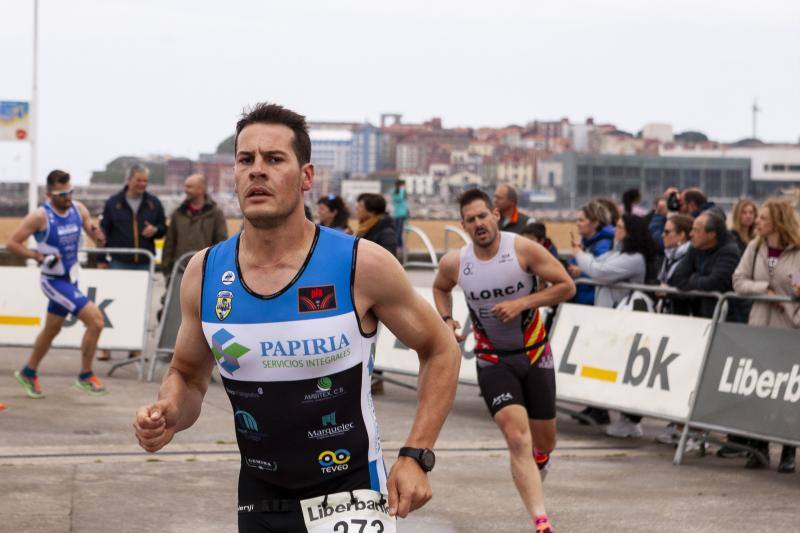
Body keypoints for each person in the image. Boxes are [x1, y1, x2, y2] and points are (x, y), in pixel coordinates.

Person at [133, 103, 461, 532]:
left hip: (351, 492)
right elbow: (189, 375)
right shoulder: (205, 273)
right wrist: (169, 412)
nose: (257, 171)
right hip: (260, 495)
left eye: (274, 159)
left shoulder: (360, 264)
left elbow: (441, 349)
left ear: (306, 177)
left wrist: (417, 454)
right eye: (245, 160)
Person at [433, 189, 575, 533]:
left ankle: (540, 459)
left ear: (496, 215)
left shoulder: (522, 249)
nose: (479, 224)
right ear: (463, 225)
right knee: (516, 438)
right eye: (471, 219)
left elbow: (566, 286)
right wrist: (447, 319)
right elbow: (440, 288)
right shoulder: (456, 261)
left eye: (483, 216)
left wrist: (523, 304)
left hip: (536, 353)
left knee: (544, 442)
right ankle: (541, 522)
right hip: (492, 358)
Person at [6, 170, 108, 398]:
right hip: (53, 281)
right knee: (96, 321)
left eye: (70, 192)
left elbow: (91, 230)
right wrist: (38, 257)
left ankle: (28, 371)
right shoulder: (40, 217)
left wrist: (99, 236)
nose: (68, 197)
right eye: (63, 194)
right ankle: (85, 375)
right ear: (50, 194)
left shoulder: (78, 209)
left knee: (52, 329)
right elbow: (13, 243)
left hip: (71, 277)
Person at [571, 215, 657, 438]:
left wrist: (579, 254)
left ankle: (630, 420)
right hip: (610, 320)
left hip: (625, 322)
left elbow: (601, 271)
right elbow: (599, 264)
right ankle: (609, 412)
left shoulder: (634, 258)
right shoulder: (618, 252)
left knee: (623, 370)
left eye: (620, 227)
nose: (615, 230)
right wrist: (587, 262)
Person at [732, 198, 800, 473]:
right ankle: (758, 447)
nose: (756, 222)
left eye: (762, 218)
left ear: (777, 221)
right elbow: (738, 281)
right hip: (760, 324)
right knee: (759, 388)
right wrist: (764, 290)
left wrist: (787, 299)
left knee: (788, 391)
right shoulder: (755, 246)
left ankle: (788, 450)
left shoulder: (796, 252)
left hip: (789, 327)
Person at [98, 163, 166, 360]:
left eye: (145, 181)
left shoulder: (154, 203)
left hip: (144, 264)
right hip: (119, 263)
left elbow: (164, 227)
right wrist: (101, 259)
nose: (143, 184)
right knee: (114, 306)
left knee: (140, 308)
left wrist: (155, 230)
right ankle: (106, 347)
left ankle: (135, 348)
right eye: (139, 180)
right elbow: (103, 233)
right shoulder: (113, 203)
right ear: (129, 180)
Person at [672, 212, 743, 320]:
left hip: (727, 319)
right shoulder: (695, 247)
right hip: (701, 316)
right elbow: (678, 277)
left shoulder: (730, 251)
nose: (691, 234)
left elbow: (715, 283)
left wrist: (693, 278)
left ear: (711, 235)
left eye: (696, 230)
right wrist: (701, 281)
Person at [161, 174, 228, 281]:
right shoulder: (178, 213)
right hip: (179, 271)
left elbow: (221, 242)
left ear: (200, 189)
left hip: (205, 273)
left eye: (189, 187)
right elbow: (169, 242)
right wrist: (166, 270)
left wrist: (217, 270)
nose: (185, 190)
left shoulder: (215, 213)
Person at [566, 200, 615, 306]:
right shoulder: (588, 242)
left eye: (581, 220)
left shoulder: (604, 245)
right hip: (585, 300)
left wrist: (581, 273)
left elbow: (605, 273)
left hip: (593, 303)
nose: (577, 224)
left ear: (595, 223)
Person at [655, 214, 694, 316]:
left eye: (667, 232)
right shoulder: (668, 256)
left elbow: (691, 288)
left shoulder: (691, 257)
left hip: (685, 316)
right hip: (667, 312)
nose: (662, 235)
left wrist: (669, 291)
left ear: (681, 235)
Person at [355, 192, 397, 257]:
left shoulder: (386, 232)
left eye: (361, 205)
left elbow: (387, 258)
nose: (356, 207)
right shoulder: (365, 228)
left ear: (372, 211)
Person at [391, 180, 409, 253]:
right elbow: (401, 199)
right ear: (401, 185)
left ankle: (401, 246)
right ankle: (397, 246)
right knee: (399, 231)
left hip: (396, 214)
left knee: (397, 230)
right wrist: (402, 190)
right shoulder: (401, 192)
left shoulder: (394, 192)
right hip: (401, 214)